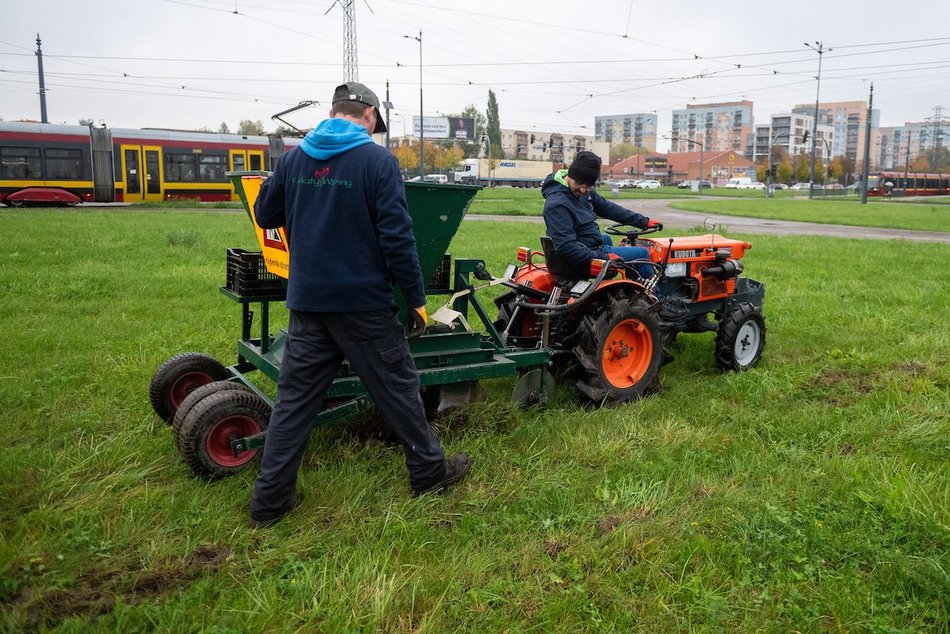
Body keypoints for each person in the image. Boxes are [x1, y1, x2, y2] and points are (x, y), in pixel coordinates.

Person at [249, 81, 471, 528]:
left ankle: (268, 505)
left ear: (334, 112)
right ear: (368, 115)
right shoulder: (377, 161)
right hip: (363, 307)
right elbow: (397, 237)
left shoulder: (294, 159)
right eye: (376, 124)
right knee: (399, 390)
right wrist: (416, 299)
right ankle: (428, 474)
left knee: (294, 403)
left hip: (308, 303)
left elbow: (265, 215)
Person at [542, 151, 662, 280]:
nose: (583, 190)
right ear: (570, 176)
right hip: (573, 260)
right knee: (642, 253)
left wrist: (643, 222)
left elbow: (609, 208)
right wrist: (604, 257)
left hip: (583, 244)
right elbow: (566, 247)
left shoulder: (582, 193)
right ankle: (655, 298)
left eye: (587, 186)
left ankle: (608, 291)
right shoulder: (557, 204)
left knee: (605, 238)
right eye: (579, 184)